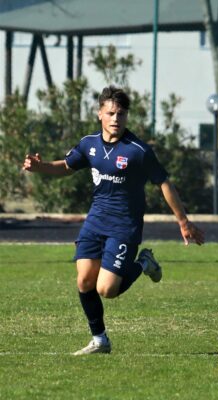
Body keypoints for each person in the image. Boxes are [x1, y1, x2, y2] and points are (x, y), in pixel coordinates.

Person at [22, 86, 205, 355]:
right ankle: (100, 340)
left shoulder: (138, 151)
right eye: (111, 113)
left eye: (121, 114)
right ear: (100, 114)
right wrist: (41, 167)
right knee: (84, 282)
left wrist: (183, 221)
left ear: (127, 116)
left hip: (124, 226)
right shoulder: (89, 144)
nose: (116, 119)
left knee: (107, 289)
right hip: (95, 221)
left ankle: (144, 262)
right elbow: (66, 166)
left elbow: (164, 183)